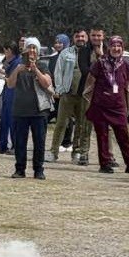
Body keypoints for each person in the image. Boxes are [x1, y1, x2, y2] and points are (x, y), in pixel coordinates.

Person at [84, 35, 129, 175]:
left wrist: (127, 104)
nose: (116, 49)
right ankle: (104, 164)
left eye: (119, 46)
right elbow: (90, 83)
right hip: (101, 106)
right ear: (109, 47)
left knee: (124, 137)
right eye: (113, 46)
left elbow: (127, 86)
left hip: (118, 106)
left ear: (122, 48)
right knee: (102, 136)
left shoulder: (125, 65)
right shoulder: (100, 63)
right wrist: (90, 101)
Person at [6, 39, 54, 179]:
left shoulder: (42, 65)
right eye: (29, 48)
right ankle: (20, 169)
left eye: (34, 48)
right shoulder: (18, 65)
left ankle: (38, 169)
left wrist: (36, 70)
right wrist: (17, 70)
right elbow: (10, 84)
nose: (31, 51)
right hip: (20, 110)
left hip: (39, 111)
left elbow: (47, 83)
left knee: (39, 141)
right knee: (20, 141)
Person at [50, 30, 89, 162]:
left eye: (82, 36)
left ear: (86, 38)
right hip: (67, 93)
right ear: (73, 38)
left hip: (84, 95)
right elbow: (58, 71)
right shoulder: (66, 53)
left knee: (81, 125)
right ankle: (53, 152)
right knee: (61, 123)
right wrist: (59, 89)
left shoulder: (90, 53)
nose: (80, 39)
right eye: (77, 36)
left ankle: (76, 152)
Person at [73, 27, 105, 166]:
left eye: (99, 35)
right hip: (87, 92)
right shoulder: (84, 51)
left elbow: (111, 70)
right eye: (93, 35)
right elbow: (85, 71)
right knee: (86, 124)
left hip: (105, 93)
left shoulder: (110, 50)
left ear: (103, 36)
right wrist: (99, 64)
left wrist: (101, 56)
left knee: (105, 125)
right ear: (89, 36)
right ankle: (84, 153)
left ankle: (107, 155)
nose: (96, 38)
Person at [0, 43, 20, 154]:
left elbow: (13, 79)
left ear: (9, 50)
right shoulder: (10, 62)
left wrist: (3, 76)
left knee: (11, 120)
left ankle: (12, 145)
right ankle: (2, 143)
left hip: (13, 93)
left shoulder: (17, 62)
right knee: (4, 120)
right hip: (7, 92)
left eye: (5, 51)